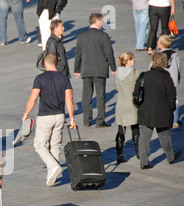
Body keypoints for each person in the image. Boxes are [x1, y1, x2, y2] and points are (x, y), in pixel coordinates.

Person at [22, 52, 76, 187]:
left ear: (45, 63)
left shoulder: (40, 78)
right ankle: (51, 175)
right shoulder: (64, 78)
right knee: (55, 145)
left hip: (45, 116)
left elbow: (33, 98)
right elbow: (69, 99)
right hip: (59, 116)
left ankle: (53, 167)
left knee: (40, 145)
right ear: (57, 63)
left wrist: (26, 113)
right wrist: (72, 118)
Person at [135, 52, 181, 169]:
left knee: (145, 136)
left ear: (153, 62)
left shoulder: (144, 75)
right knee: (164, 135)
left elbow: (136, 94)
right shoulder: (166, 77)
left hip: (145, 110)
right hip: (162, 111)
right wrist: (171, 108)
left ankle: (144, 162)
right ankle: (170, 157)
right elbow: (172, 96)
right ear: (164, 63)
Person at [74, 13, 117, 128]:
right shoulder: (103, 36)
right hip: (100, 70)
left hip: (86, 69)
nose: (102, 23)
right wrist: (113, 68)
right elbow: (109, 53)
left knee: (86, 96)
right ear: (97, 21)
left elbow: (78, 54)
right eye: (101, 21)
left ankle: (87, 120)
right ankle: (100, 120)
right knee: (100, 96)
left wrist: (77, 69)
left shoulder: (81, 36)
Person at [114, 52, 140, 164]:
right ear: (129, 60)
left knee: (121, 130)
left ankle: (120, 154)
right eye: (133, 59)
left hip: (120, 103)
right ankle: (139, 152)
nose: (134, 61)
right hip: (132, 103)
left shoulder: (117, 73)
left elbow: (117, 88)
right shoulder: (135, 72)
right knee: (135, 128)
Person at [156, 35, 181, 128]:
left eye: (158, 41)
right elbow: (178, 69)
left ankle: (162, 117)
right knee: (174, 99)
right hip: (173, 80)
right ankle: (175, 119)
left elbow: (152, 67)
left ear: (161, 45)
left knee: (161, 99)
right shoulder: (175, 55)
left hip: (161, 80)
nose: (157, 42)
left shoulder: (157, 56)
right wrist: (178, 79)